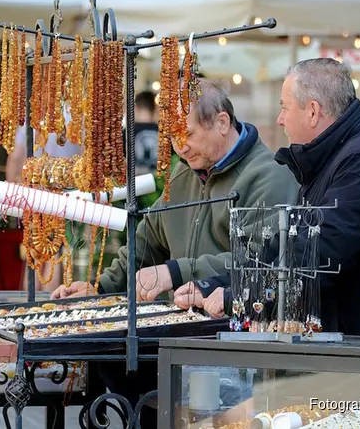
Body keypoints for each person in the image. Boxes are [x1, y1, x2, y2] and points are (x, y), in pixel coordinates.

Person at [51, 79, 298, 427]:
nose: (179, 146)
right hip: (177, 339)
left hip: (233, 343)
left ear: (222, 123)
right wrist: (102, 289)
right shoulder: (183, 172)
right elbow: (149, 236)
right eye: (170, 136)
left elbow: (261, 261)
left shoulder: (269, 177)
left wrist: (177, 270)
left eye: (189, 134)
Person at [185, 58, 360, 337]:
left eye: (284, 107)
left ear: (312, 112)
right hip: (345, 344)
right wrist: (216, 284)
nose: (280, 119)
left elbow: (320, 253)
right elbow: (284, 248)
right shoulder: (332, 155)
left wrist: (238, 297)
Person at [7, 121, 82, 294]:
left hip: (34, 194)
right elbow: (84, 157)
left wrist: (12, 194)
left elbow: (15, 157)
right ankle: (49, 300)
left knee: (34, 254)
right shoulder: (75, 119)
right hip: (64, 197)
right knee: (55, 253)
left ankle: (33, 299)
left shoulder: (31, 119)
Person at [131, 90, 159, 175]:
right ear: (154, 108)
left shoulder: (127, 132)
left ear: (135, 108)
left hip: (135, 183)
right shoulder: (163, 133)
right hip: (158, 183)